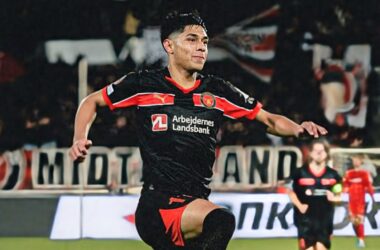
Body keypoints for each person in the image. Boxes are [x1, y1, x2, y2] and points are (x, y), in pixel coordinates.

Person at [69, 10, 327, 250]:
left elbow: (269, 120)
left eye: (204, 41)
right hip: (157, 207)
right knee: (221, 221)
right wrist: (79, 138)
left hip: (193, 206)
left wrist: (298, 129)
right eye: (191, 39)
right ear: (169, 46)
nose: (201, 46)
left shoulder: (218, 90)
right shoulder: (143, 84)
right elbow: (91, 101)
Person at [287, 140, 342, 250]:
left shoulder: (333, 175)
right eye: (316, 151)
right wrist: (299, 205)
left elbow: (339, 195)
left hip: (325, 220)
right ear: (310, 153)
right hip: (305, 220)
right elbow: (290, 191)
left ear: (326, 153)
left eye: (321, 151)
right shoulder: (299, 173)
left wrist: (334, 198)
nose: (319, 154)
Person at [343, 154, 375, 248]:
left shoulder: (364, 173)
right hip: (351, 200)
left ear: (361, 161)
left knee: (359, 220)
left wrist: (372, 196)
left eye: (357, 160)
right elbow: (345, 185)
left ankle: (361, 240)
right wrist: (344, 190)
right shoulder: (349, 173)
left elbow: (368, 186)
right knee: (354, 221)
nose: (356, 161)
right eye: (354, 160)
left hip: (361, 200)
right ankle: (359, 237)